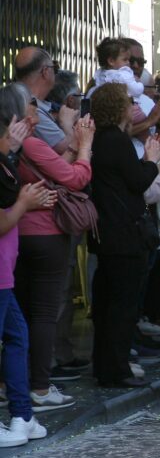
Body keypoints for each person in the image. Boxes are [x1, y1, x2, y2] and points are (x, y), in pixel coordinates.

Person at [0, 86, 92, 411]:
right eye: (33, 108)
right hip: (43, 235)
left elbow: (53, 171)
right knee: (41, 315)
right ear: (19, 115)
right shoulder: (28, 144)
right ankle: (37, 387)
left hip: (19, 239)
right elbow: (75, 178)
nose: (39, 114)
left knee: (20, 319)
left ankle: (14, 390)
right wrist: (86, 147)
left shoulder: (15, 150)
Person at [89, 83, 160, 388]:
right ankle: (116, 369)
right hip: (123, 231)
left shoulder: (103, 139)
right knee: (122, 306)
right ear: (118, 107)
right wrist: (154, 160)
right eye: (129, 102)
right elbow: (138, 180)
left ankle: (105, 366)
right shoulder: (115, 140)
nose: (134, 107)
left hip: (109, 231)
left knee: (108, 304)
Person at [0, 125, 57, 447]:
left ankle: (22, 415)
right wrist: (24, 204)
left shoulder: (5, 163)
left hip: (5, 272)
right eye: (9, 132)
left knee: (18, 337)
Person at [12, 47, 78, 156]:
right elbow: (64, 148)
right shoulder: (31, 108)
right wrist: (67, 124)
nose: (56, 73)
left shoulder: (23, 100)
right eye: (54, 67)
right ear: (45, 71)